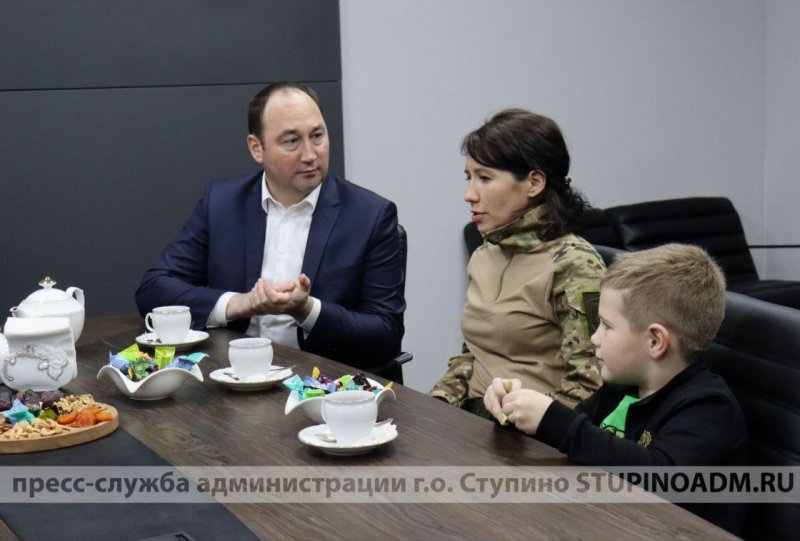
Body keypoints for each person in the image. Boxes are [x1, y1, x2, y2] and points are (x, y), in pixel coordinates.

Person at [135, 82, 405, 373]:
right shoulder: (223, 203)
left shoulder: (370, 215)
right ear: (257, 148)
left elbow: (386, 334)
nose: (310, 154)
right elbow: (154, 289)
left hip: (320, 381)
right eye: (291, 141)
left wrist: (307, 310)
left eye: (317, 136)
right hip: (230, 374)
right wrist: (238, 303)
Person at [483, 243, 748, 535]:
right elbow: (575, 444)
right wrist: (513, 411)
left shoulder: (710, 408)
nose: (595, 338)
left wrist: (554, 421)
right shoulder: (622, 388)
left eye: (607, 326)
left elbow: (659, 479)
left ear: (655, 342)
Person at [430, 108, 606, 416]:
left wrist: (512, 418)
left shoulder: (574, 264)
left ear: (534, 183)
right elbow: (474, 354)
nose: (469, 195)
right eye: (469, 178)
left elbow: (590, 387)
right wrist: (439, 403)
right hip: (475, 419)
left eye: (485, 178)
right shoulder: (485, 254)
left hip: (530, 430)